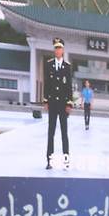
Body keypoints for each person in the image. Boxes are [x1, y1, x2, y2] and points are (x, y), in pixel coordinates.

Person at [43, 37, 72, 170]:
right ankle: (49, 160)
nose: (58, 50)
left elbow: (69, 87)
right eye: (56, 48)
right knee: (51, 133)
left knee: (64, 133)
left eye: (59, 48)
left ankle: (66, 160)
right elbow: (47, 84)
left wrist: (69, 104)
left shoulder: (67, 67)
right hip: (53, 103)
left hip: (63, 104)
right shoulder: (48, 64)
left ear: (63, 50)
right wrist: (46, 100)